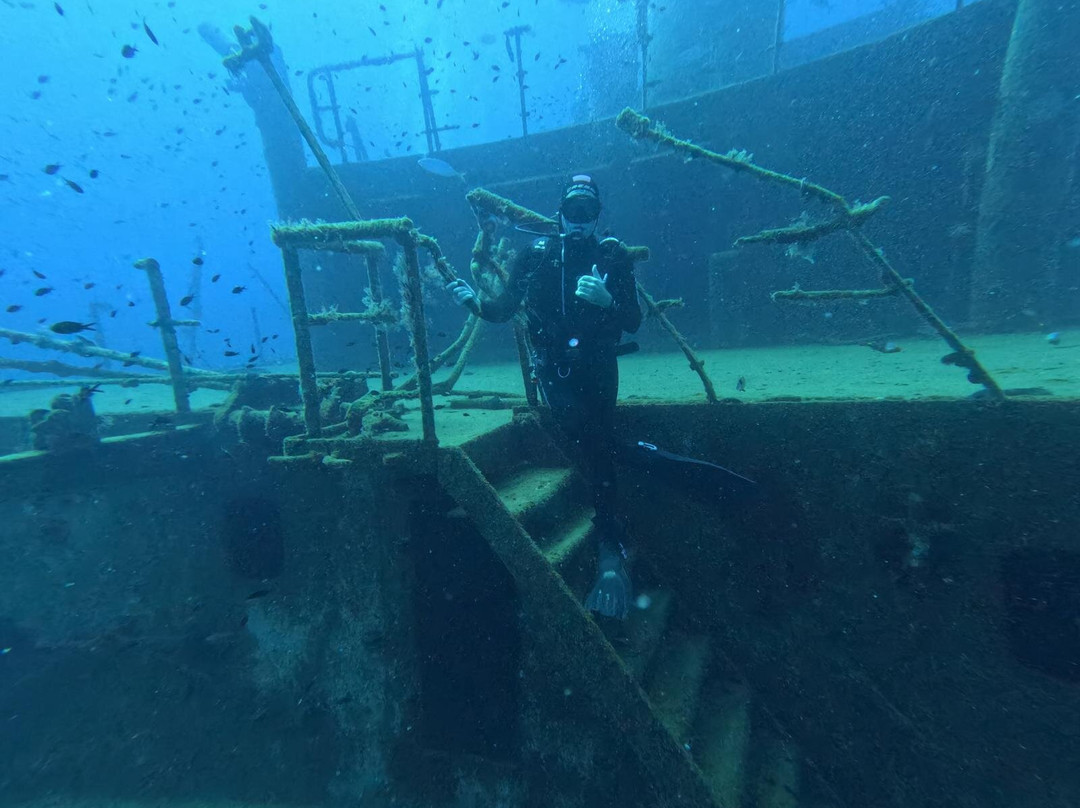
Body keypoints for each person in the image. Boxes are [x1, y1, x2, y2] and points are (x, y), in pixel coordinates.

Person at [447, 174, 641, 619]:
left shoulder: (612, 256)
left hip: (599, 365)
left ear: (597, 217)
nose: (578, 223)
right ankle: (611, 538)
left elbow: (633, 321)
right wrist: (471, 301)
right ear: (559, 214)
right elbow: (501, 312)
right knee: (586, 431)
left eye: (586, 214)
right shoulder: (537, 257)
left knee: (598, 438)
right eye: (571, 213)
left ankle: (611, 546)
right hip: (554, 370)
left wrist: (608, 298)